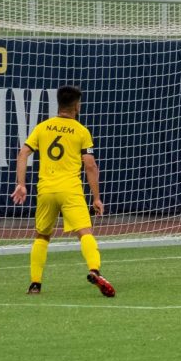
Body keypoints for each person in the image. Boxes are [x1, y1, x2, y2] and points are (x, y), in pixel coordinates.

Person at [11, 84, 115, 297]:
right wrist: (96, 197)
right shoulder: (81, 130)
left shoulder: (43, 127)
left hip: (46, 190)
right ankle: (94, 270)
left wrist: (21, 184)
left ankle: (35, 284)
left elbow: (22, 154)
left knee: (42, 236)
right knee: (85, 232)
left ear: (59, 104)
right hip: (71, 190)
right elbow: (90, 165)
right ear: (77, 106)